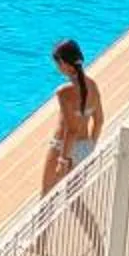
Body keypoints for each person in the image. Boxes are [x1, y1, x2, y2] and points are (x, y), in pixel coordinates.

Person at [44, 38, 104, 194]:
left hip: (63, 147)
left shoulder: (64, 92)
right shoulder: (92, 85)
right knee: (74, 199)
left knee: (46, 196)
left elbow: (71, 130)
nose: (57, 67)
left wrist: (62, 160)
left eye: (57, 63)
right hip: (84, 147)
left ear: (64, 64)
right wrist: (90, 147)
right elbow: (99, 121)